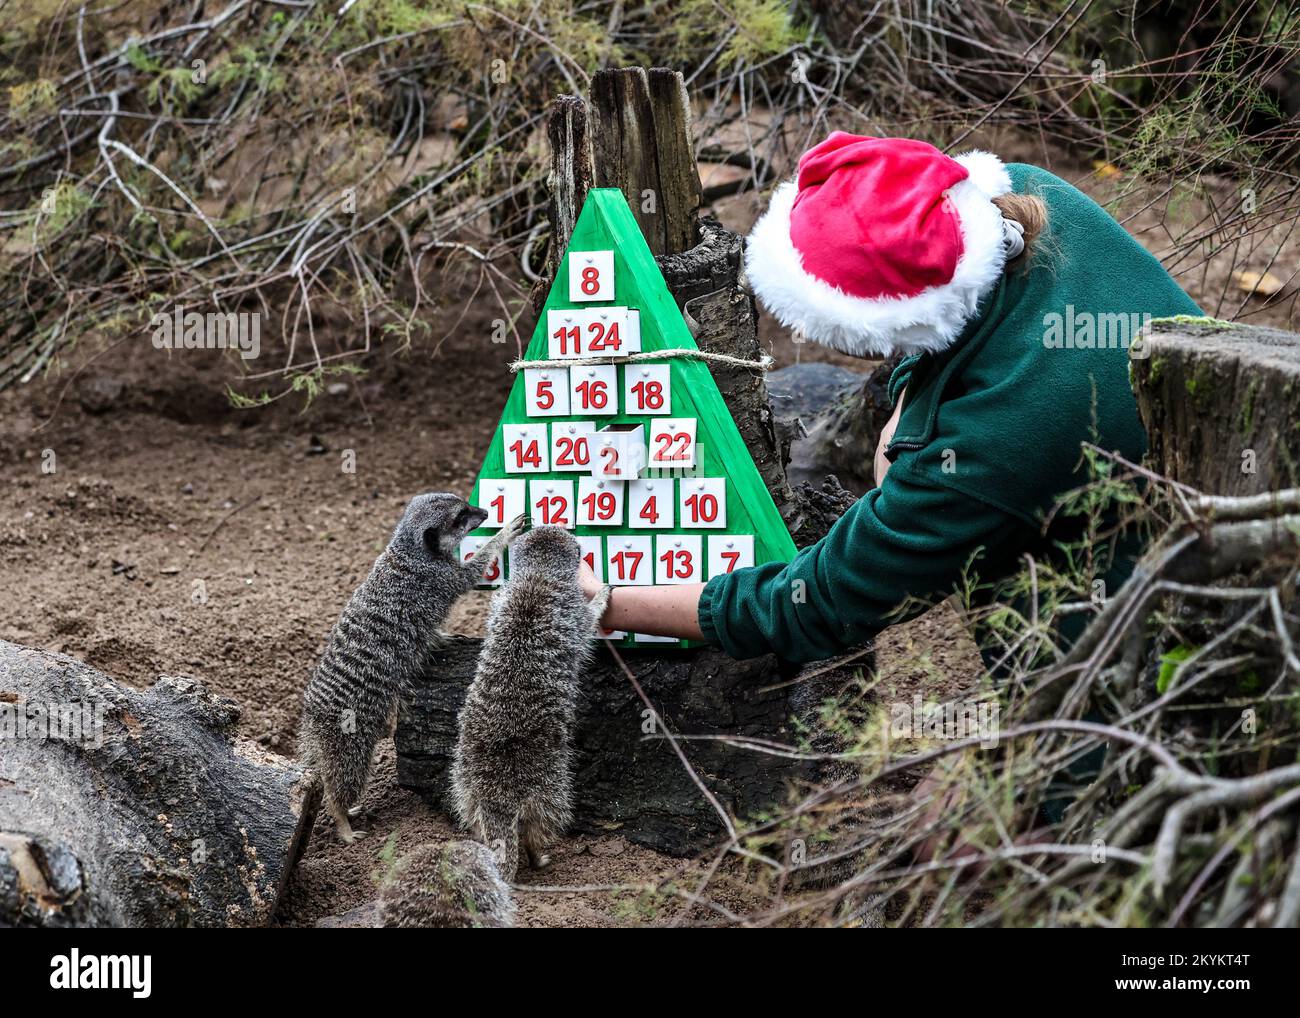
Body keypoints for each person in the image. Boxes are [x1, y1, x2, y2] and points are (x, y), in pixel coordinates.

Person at [579, 132, 1200, 670]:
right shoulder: (1026, 196)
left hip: (1157, 628)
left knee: (1077, 774)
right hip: (1163, 483)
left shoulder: (993, 441)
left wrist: (607, 603)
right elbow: (944, 329)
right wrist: (908, 395)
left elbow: (821, 602)